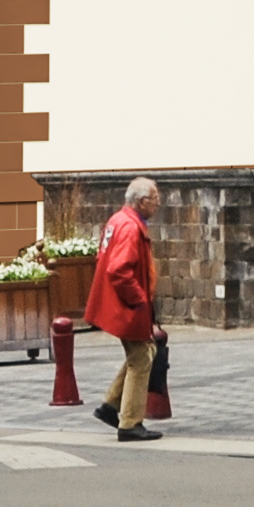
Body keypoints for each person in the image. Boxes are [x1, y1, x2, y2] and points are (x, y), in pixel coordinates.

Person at [86, 179, 162, 442]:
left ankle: (110, 406)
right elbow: (119, 269)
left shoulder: (118, 221)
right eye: (154, 198)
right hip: (127, 304)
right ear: (142, 202)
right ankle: (130, 422)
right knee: (141, 358)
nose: (158, 202)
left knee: (140, 353)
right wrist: (140, 299)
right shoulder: (131, 227)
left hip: (116, 302)